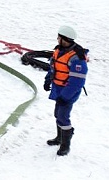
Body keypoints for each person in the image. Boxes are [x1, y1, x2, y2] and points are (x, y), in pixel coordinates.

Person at [44, 25, 89, 156]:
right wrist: (48, 80)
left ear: (65, 39)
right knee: (57, 114)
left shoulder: (76, 58)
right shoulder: (59, 50)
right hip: (58, 88)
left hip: (68, 92)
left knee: (63, 116)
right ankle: (59, 138)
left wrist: (65, 96)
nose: (57, 39)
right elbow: (53, 67)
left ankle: (65, 145)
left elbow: (77, 82)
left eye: (59, 37)